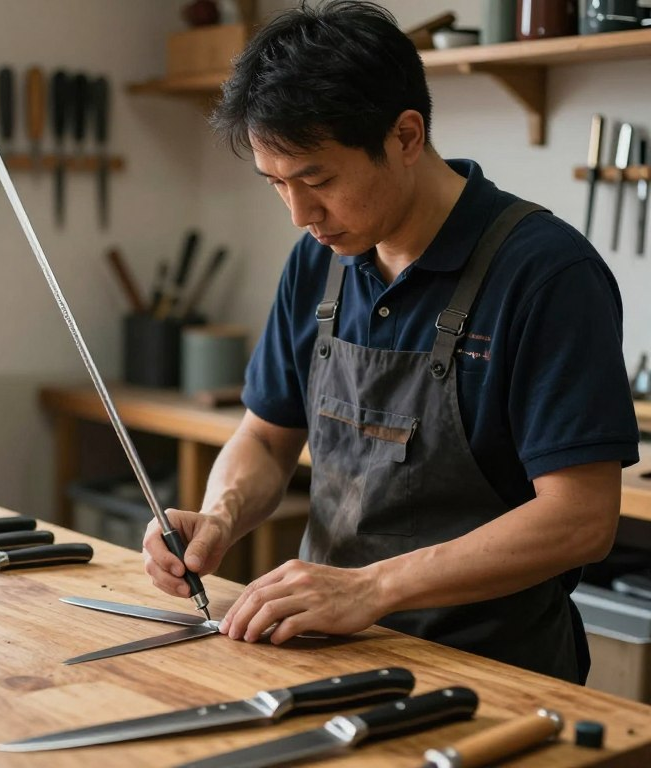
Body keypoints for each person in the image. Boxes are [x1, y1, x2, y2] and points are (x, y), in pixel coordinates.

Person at [142, 0, 639, 684]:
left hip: (495, 673)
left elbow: (581, 519)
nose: (300, 215)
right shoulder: (318, 261)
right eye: (277, 185)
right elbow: (265, 437)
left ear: (406, 136)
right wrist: (220, 516)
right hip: (331, 655)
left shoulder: (547, 274)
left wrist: (370, 588)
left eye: (317, 180)